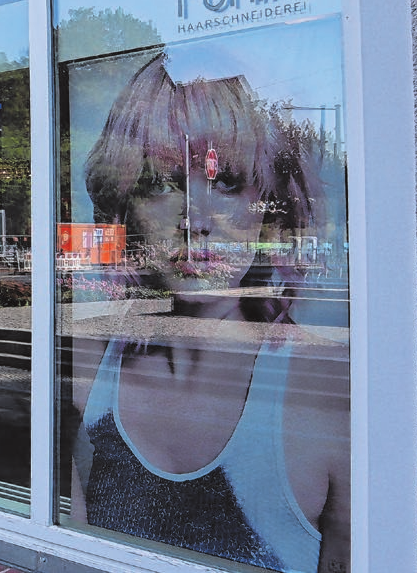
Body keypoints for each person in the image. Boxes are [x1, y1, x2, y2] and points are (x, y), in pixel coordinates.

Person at [67, 53, 349, 573]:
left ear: (270, 203)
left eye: (226, 182)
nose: (195, 220)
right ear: (125, 204)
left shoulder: (334, 391)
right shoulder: (91, 357)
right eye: (161, 183)